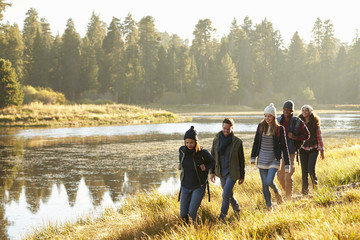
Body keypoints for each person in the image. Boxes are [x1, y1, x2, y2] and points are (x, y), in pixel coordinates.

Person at [251, 103, 290, 211]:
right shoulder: (260, 127)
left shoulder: (279, 129)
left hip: (274, 159)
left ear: (273, 116)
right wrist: (253, 156)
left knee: (269, 181)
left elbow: (284, 147)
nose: (267, 118)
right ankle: (269, 205)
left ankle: (276, 191)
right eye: (265, 116)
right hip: (262, 158)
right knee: (264, 185)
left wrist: (287, 164)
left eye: (269, 116)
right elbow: (255, 142)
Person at [177, 125, 215, 223]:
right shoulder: (182, 150)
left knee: (192, 212)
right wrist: (180, 164)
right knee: (183, 214)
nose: (189, 145)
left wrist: (205, 167)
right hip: (185, 186)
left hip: (198, 186)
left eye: (191, 143)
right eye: (187, 142)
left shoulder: (202, 152)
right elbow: (181, 159)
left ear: (196, 142)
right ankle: (187, 229)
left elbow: (213, 161)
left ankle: (198, 229)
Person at [210, 118, 245, 221]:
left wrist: (242, 175)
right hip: (221, 172)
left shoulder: (237, 142)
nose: (226, 130)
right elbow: (212, 156)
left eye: (228, 129)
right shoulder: (216, 139)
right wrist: (212, 172)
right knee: (228, 193)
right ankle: (237, 209)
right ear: (222, 127)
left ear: (232, 128)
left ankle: (222, 215)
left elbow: (241, 160)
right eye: (224, 128)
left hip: (232, 173)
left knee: (225, 194)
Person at [276, 100, 309, 200]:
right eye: (284, 109)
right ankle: (288, 192)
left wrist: (295, 137)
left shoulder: (297, 121)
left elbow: (307, 135)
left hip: (291, 152)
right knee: (279, 175)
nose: (286, 111)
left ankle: (288, 197)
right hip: (280, 152)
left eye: (288, 109)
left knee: (288, 174)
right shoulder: (278, 120)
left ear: (291, 111)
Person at [298, 105, 325, 195]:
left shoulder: (315, 121)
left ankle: (315, 187)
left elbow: (319, 135)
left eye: (306, 110)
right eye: (303, 110)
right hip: (302, 149)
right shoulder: (299, 121)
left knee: (311, 169)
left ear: (310, 112)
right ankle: (305, 192)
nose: (304, 112)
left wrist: (321, 150)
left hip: (313, 148)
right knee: (304, 172)